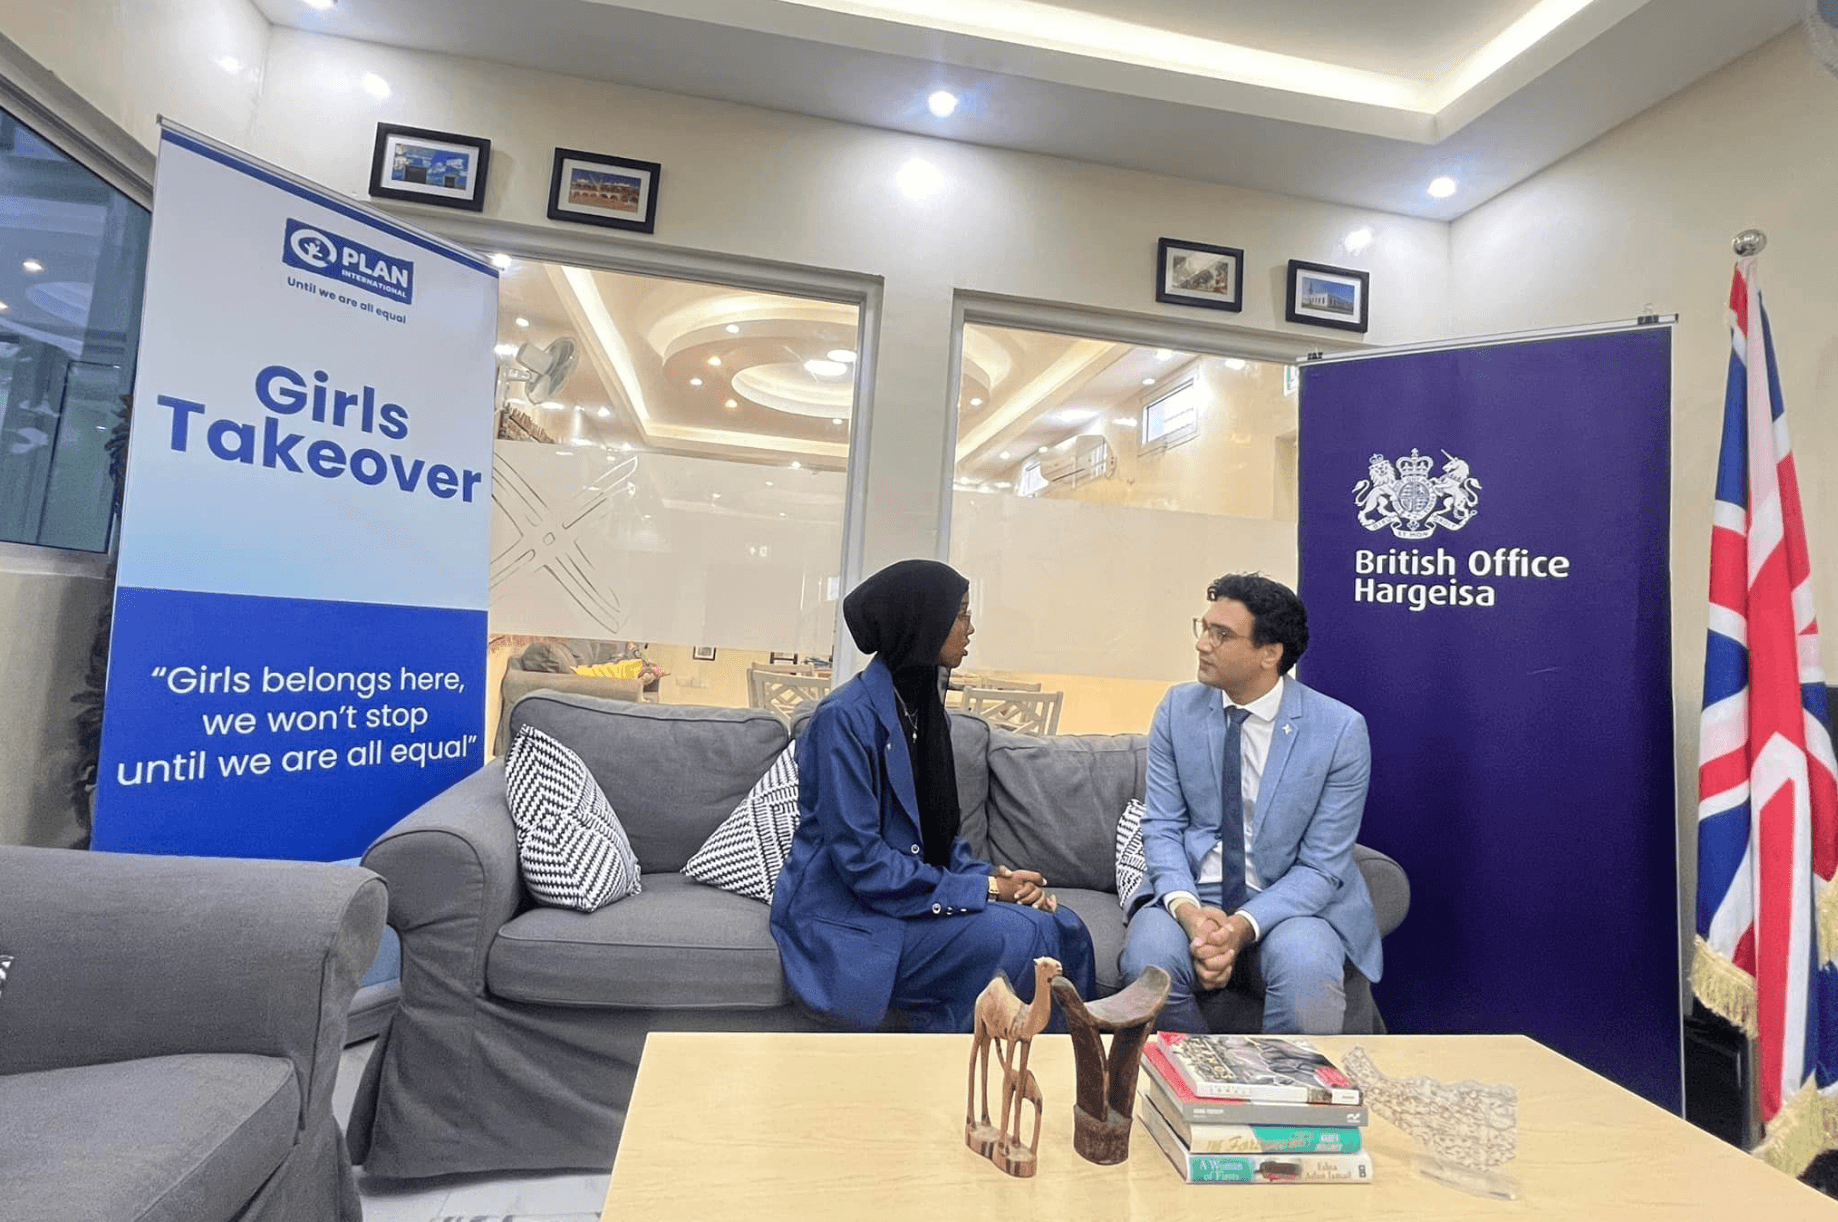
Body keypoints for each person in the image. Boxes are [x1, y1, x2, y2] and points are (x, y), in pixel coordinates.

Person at [770, 559, 1097, 1032]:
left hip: (904, 901)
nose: (969, 628)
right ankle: (966, 1076)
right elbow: (862, 863)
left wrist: (999, 879)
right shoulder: (841, 720)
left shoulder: (927, 711)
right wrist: (985, 892)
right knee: (1028, 938)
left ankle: (1071, 1079)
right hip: (852, 915)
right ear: (922, 622)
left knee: (1066, 926)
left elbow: (942, 842)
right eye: (960, 614)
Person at [1119, 573, 1380, 1034]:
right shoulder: (1178, 709)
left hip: (1289, 903)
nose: (1202, 644)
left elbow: (1322, 866)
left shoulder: (1339, 730)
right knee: (1147, 963)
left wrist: (1241, 927)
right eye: (1202, 628)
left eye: (1222, 635)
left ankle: (1282, 1101)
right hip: (1194, 892)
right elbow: (1161, 826)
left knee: (1308, 973)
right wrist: (1187, 910)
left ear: (1270, 653)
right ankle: (1197, 1085)